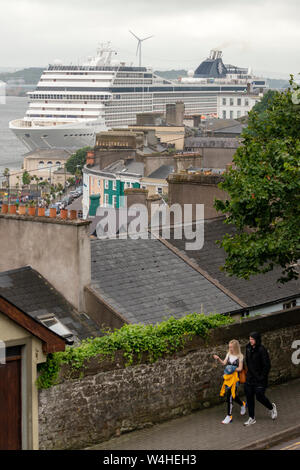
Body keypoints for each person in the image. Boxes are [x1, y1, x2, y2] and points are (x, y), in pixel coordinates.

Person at [243, 331, 277, 426]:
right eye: (250, 339)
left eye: (252, 339)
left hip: (260, 379)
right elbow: (248, 361)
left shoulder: (262, 350)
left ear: (257, 339)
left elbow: (267, 365)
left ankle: (271, 408)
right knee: (249, 397)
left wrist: (261, 377)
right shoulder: (248, 348)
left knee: (259, 396)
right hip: (250, 378)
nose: (250, 341)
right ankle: (251, 418)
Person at [213, 339, 246, 424]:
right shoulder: (229, 354)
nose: (230, 348)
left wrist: (232, 368)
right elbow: (224, 363)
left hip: (235, 379)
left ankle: (229, 416)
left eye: (231, 347)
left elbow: (240, 368)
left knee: (229, 396)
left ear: (235, 347)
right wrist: (218, 358)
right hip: (228, 378)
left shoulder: (240, 356)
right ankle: (242, 404)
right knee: (233, 396)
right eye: (229, 347)